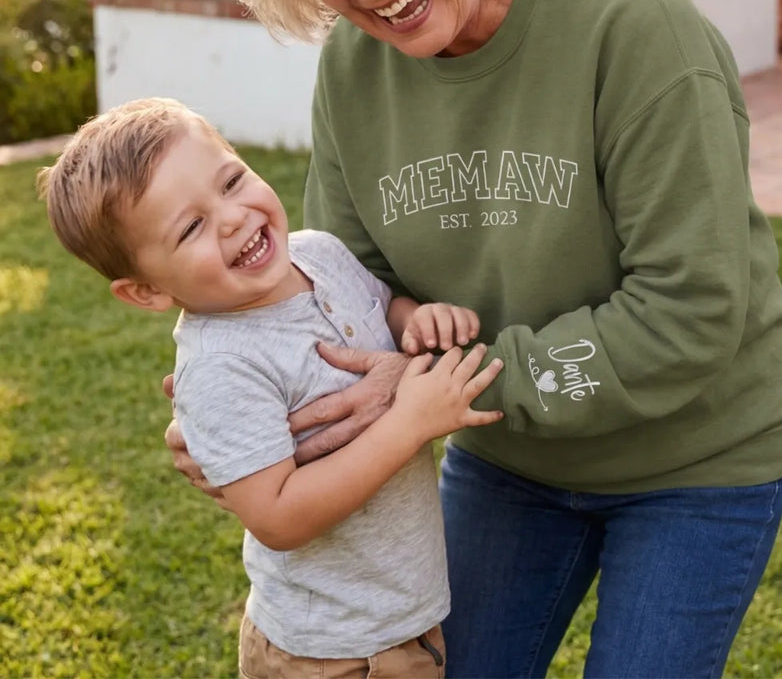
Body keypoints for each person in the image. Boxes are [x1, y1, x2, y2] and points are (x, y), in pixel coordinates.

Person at [166, 0, 782, 679]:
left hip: (693, 462)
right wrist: (248, 414)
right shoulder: (355, 64)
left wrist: (457, 388)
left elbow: (692, 312)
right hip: (507, 460)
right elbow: (346, 290)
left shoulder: (629, 21)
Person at [39, 96, 504, 678]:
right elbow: (278, 518)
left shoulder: (320, 254)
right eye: (192, 227)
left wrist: (417, 322)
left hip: (400, 622)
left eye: (231, 181)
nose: (233, 217)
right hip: (330, 653)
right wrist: (409, 422)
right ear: (147, 292)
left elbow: (382, 310)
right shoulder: (220, 366)